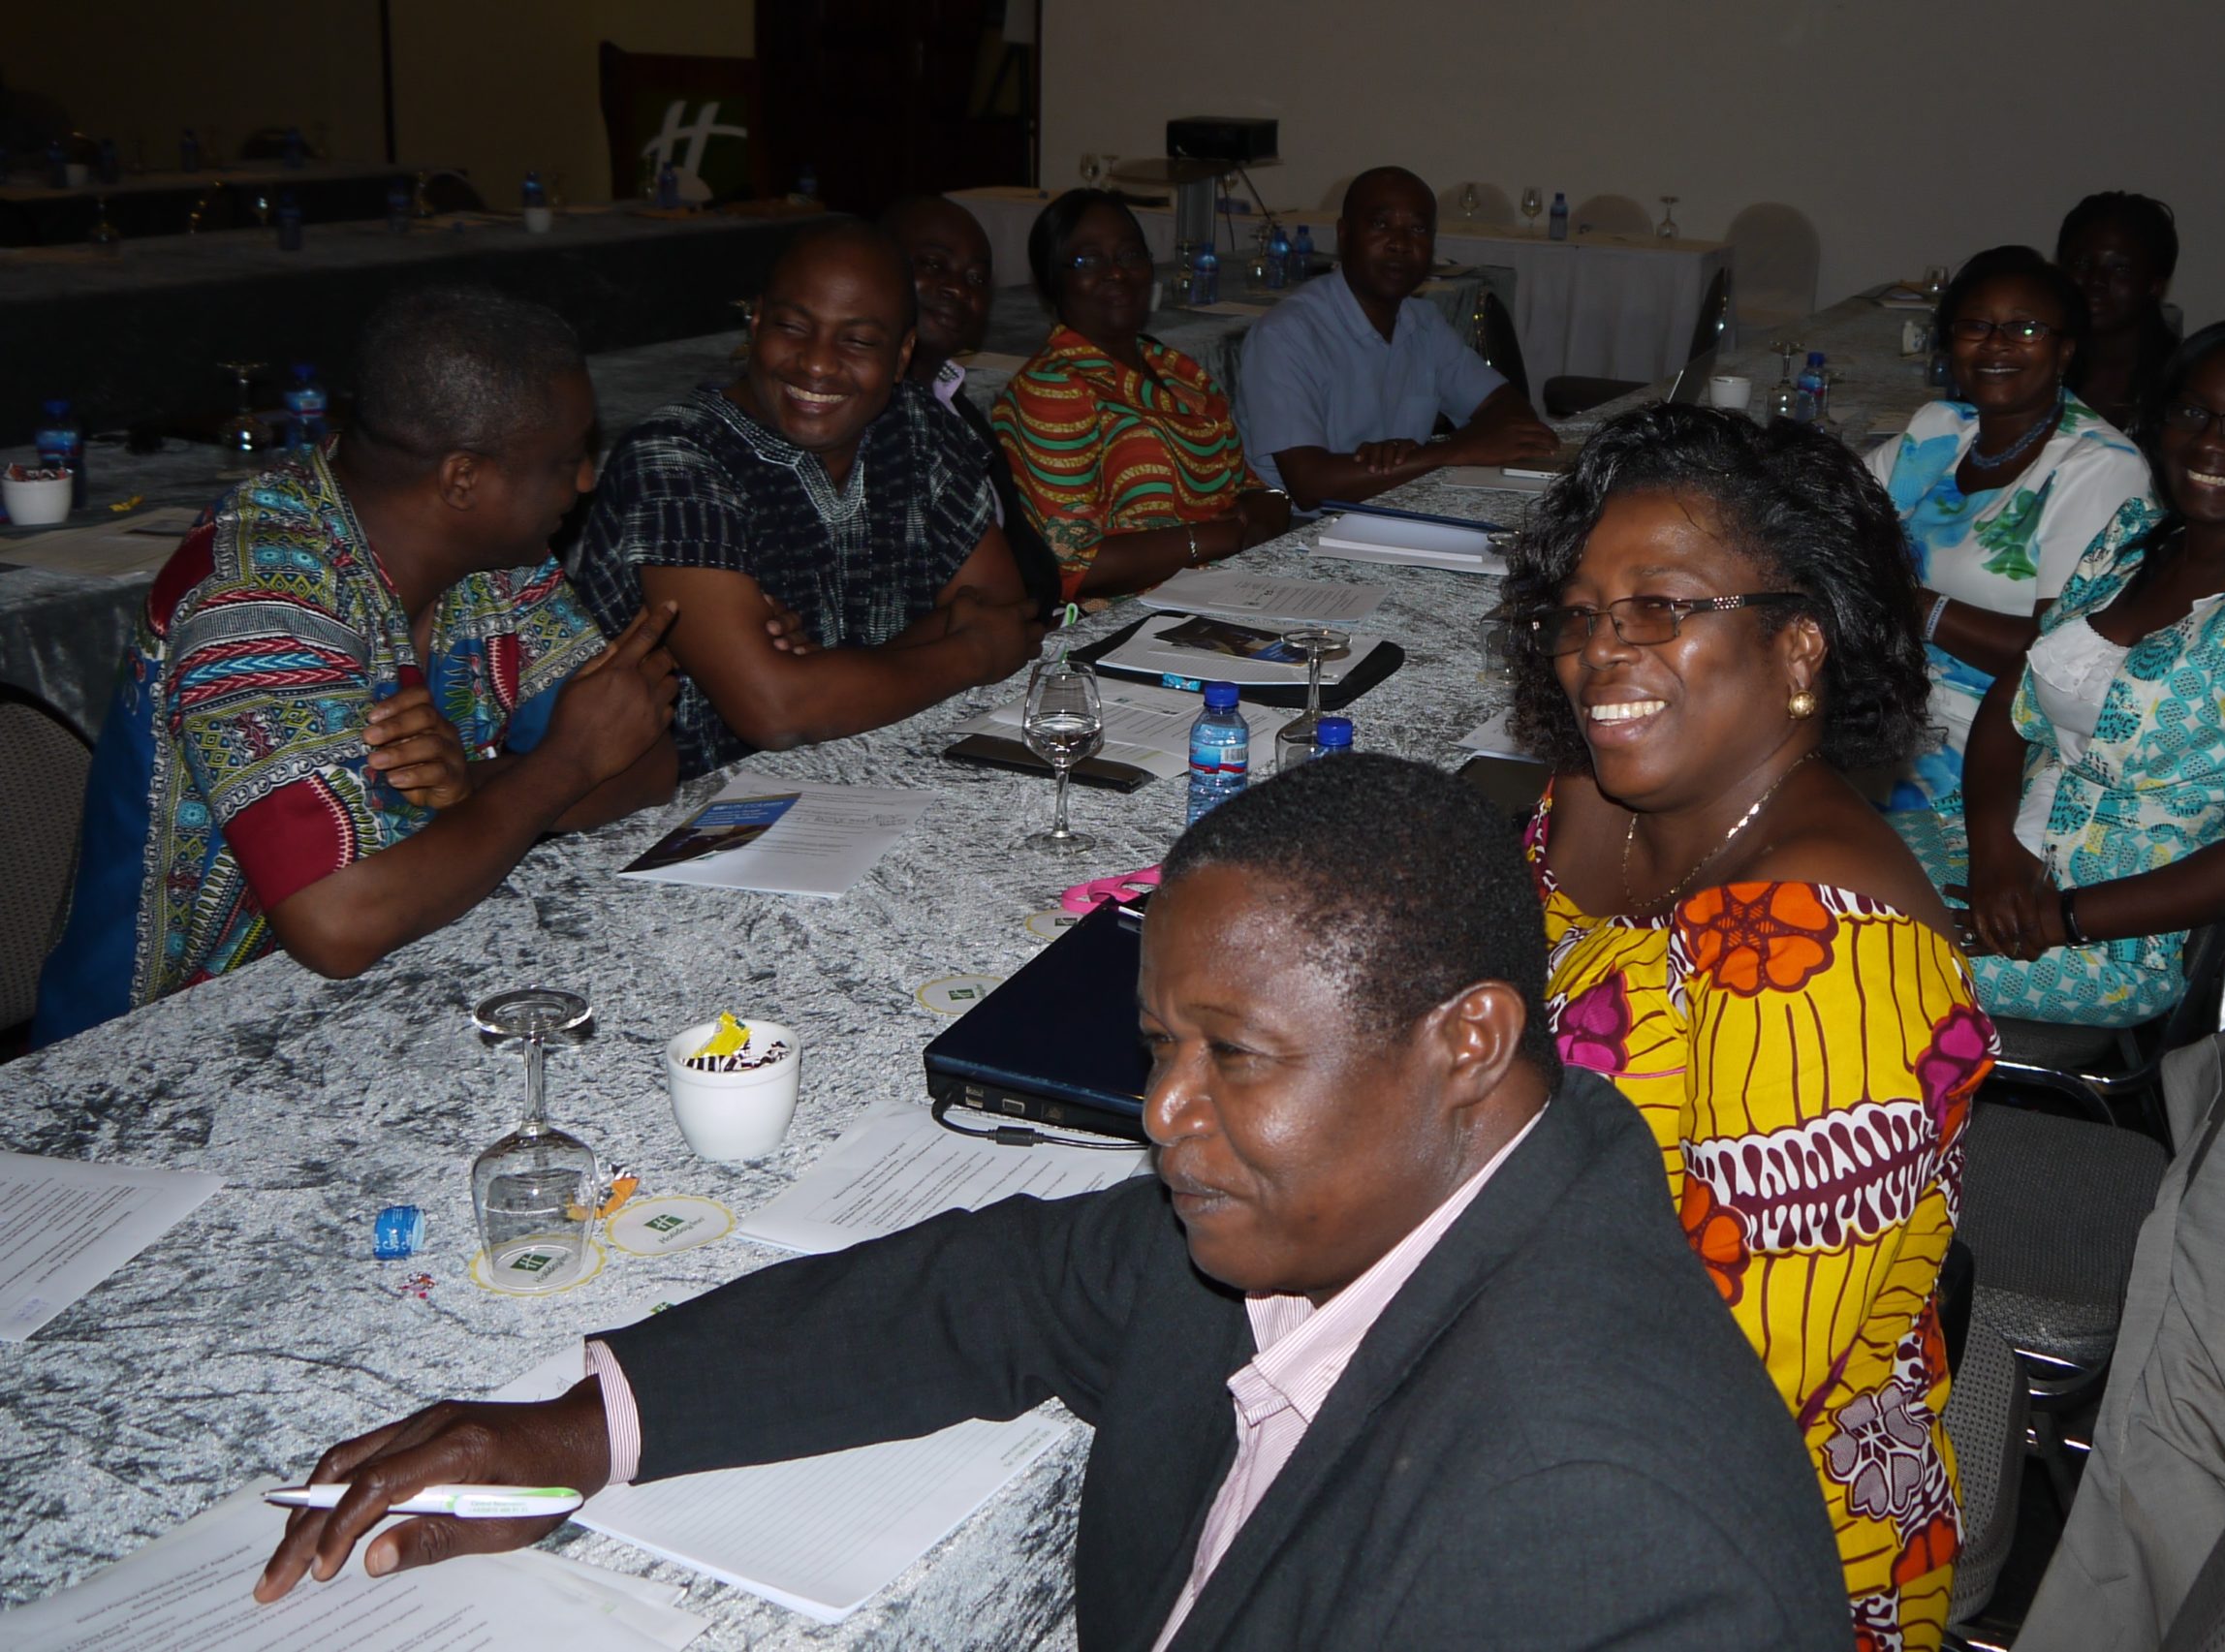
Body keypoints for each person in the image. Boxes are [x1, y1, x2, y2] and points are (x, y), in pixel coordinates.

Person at [255, 755, 1852, 1651]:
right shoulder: (1328, 1213)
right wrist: (582, 1426)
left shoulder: (1605, 1528)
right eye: (1162, 1044)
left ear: (1469, 1044)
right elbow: (996, 1292)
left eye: (1235, 1054)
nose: (1165, 1115)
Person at [1505, 402, 1993, 1650]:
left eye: (1661, 607)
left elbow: (1729, 1381)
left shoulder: (1831, 952)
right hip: (1544, 1368)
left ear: (1799, 648)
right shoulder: (1602, 806)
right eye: (1582, 613)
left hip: (1730, 1551)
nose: (1601, 651)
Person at [33, 288, 680, 1044]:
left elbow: (645, 762)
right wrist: (561, 763)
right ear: (463, 479)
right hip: (157, 1055)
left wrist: (469, 783)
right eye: (567, 460)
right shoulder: (258, 597)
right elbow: (340, 920)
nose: (584, 484)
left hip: (394, 995)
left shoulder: (496, 561)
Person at [1891, 321, 2225, 1027]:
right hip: (1987, 854)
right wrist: (1993, 852)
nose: (2211, 442)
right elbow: (2011, 698)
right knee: (1766, 879)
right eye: (2191, 412)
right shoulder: (2131, 541)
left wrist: (2063, 916)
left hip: (2109, 937)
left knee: (1814, 959)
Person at [571, 219, 1043, 782]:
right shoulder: (677, 460)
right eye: (793, 327)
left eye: (859, 340)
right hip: (690, 813)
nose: (817, 363)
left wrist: (823, 676)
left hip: (871, 776)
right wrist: (971, 656)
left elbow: (1003, 612)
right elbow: (776, 713)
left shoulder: (916, 427)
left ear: (901, 354)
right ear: (756, 319)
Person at [1868, 243, 2153, 811]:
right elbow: (1820, 520)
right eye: (1976, 326)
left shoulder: (2097, 469)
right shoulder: (1941, 430)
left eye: (2025, 329)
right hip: (1881, 705)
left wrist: (1913, 604)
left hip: (1992, 739)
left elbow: (2066, 661)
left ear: (2065, 350)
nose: (1996, 344)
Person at [989, 189, 1291, 601]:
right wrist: (1216, 538)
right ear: (1050, 281)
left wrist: (1268, 506)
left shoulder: (1177, 371)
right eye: (1088, 260)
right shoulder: (1052, 390)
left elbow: (1253, 489)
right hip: (1123, 617)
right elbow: (1073, 564)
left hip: (1227, 589)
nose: (1116, 272)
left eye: (1130, 255)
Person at [1238, 166, 1558, 503]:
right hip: (1296, 527)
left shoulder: (1423, 323)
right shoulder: (1285, 335)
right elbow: (1310, 485)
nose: (1401, 244)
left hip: (1396, 507)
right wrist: (1451, 452)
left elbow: (1512, 412)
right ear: (1344, 236)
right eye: (1380, 224)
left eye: (1418, 229)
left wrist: (1414, 459)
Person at [881, 193, 1063, 611]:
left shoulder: (954, 406)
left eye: (977, 278)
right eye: (932, 264)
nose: (957, 288)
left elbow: (1030, 560)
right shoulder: (862, 421)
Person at [2055, 191, 2180, 432]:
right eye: (2081, 264)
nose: (2096, 281)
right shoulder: (2034, 368)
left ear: (2155, 284)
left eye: (2120, 268)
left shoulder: (2183, 380)